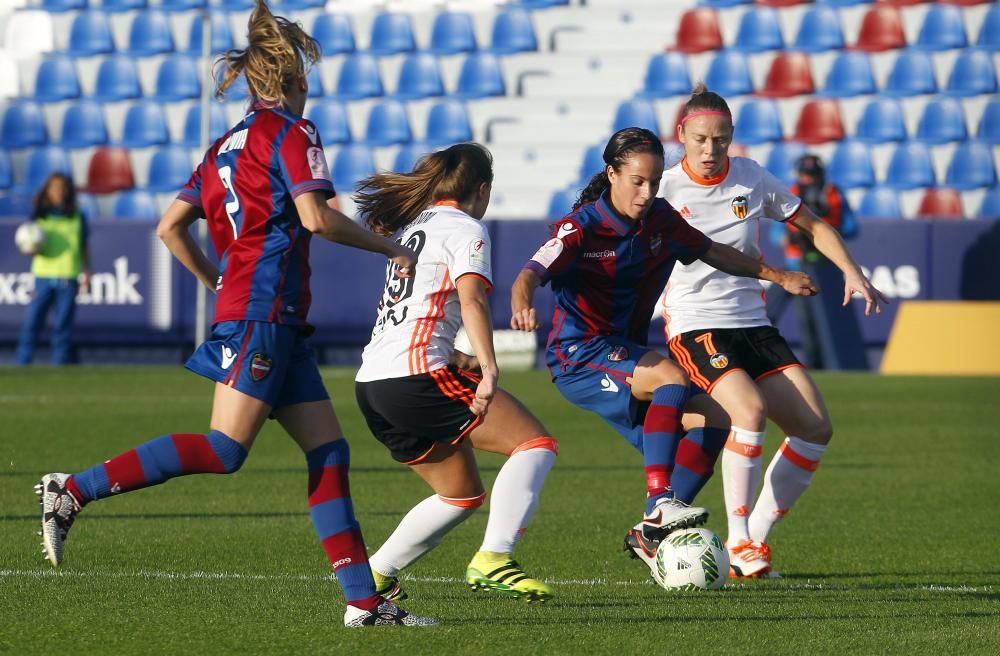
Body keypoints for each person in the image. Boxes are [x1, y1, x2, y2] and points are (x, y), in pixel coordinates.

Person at [35, 1, 435, 628]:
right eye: (306, 80)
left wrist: (214, 278)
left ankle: (363, 603)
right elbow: (315, 217)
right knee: (225, 450)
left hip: (266, 314)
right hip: (264, 312)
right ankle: (74, 489)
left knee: (328, 452)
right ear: (295, 82)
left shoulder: (223, 145)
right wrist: (390, 247)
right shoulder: (293, 134)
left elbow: (170, 228)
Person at [508, 127, 817, 582]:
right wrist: (521, 304)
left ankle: (649, 532)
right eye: (637, 181)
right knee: (672, 377)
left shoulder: (661, 219)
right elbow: (529, 274)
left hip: (626, 353)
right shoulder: (579, 228)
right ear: (612, 174)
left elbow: (712, 251)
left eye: (654, 182)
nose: (647, 191)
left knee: (718, 419)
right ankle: (660, 504)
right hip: (579, 354)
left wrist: (776, 274)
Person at [658, 85, 886, 578]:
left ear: (732, 137)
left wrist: (852, 271)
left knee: (815, 428)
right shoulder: (663, 188)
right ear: (682, 135)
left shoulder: (751, 177)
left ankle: (754, 542)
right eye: (699, 139)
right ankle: (737, 541)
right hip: (696, 323)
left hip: (753, 323)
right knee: (751, 411)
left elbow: (814, 225)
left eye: (720, 139)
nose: (709, 149)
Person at [353, 143, 557, 603]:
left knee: (461, 493)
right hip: (415, 376)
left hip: (372, 384)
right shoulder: (466, 228)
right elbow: (472, 300)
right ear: (481, 190)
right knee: (535, 445)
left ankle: (376, 575)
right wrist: (487, 366)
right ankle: (495, 557)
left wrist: (458, 358)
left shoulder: (413, 228)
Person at [768, 154, 859, 368]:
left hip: (825, 266)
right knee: (780, 314)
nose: (808, 180)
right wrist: (791, 237)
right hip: (794, 266)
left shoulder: (833, 194)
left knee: (821, 320)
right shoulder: (790, 194)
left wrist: (824, 232)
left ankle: (819, 364)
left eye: (812, 175)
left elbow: (851, 227)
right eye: (805, 175)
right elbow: (775, 234)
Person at [15, 173, 91, 365]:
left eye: (62, 187)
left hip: (68, 276)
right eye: (55, 187)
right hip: (43, 276)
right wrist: (30, 250)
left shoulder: (77, 216)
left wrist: (87, 272)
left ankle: (60, 364)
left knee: (62, 325)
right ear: (47, 191)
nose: (59, 191)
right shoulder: (39, 215)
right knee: (32, 323)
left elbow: (83, 246)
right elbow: (30, 242)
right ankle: (22, 362)